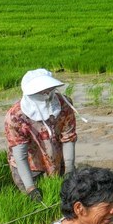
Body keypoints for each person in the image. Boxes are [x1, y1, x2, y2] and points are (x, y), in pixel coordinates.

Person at [5, 68, 78, 202]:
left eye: (49, 89)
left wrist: (69, 169)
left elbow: (68, 137)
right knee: (33, 202)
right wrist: (30, 188)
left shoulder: (64, 105)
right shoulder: (16, 116)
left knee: (63, 196)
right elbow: (20, 155)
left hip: (56, 158)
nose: (46, 94)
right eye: (41, 91)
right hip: (29, 164)